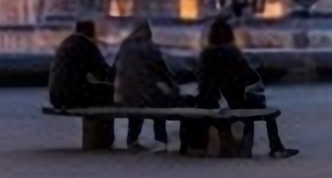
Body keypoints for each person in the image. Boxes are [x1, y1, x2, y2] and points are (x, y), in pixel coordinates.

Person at [195, 14, 297, 156]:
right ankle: (276, 147)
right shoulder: (233, 54)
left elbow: (204, 81)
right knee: (266, 112)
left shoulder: (206, 55)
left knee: (246, 108)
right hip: (237, 100)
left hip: (221, 101)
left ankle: (246, 147)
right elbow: (247, 77)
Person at [47, 16, 118, 148]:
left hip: (58, 96)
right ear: (91, 31)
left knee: (103, 91)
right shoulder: (85, 45)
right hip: (72, 95)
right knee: (112, 93)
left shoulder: (68, 43)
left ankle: (97, 136)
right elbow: (102, 72)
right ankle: (104, 138)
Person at [114, 16, 181, 150]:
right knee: (159, 104)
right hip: (144, 94)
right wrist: (173, 86)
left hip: (126, 94)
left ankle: (132, 139)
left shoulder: (124, 46)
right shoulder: (150, 47)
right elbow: (161, 70)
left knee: (135, 102)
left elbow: (117, 67)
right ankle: (161, 138)